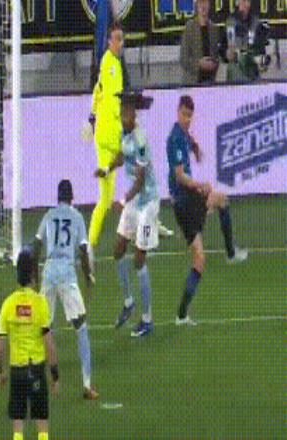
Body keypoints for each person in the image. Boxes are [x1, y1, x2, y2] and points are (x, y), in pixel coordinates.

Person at [166, 96, 248, 326]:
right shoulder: (173, 139)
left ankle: (181, 315)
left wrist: (196, 148)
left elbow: (189, 139)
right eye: (184, 114)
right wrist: (200, 185)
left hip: (185, 201)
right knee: (219, 200)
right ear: (178, 112)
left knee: (200, 259)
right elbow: (180, 177)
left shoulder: (182, 133)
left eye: (189, 115)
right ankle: (230, 253)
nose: (187, 119)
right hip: (184, 201)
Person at [95, 92, 158, 337]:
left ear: (133, 114)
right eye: (121, 112)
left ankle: (147, 319)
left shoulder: (140, 139)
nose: (122, 116)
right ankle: (129, 302)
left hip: (147, 203)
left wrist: (123, 200)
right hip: (133, 201)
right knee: (118, 249)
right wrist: (107, 168)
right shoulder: (125, 132)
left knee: (139, 259)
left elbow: (141, 180)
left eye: (126, 112)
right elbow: (122, 155)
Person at [33, 180, 99, 400]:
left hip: (49, 273)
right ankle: (87, 385)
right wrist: (88, 276)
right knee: (81, 327)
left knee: (43, 328)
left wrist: (35, 279)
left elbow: (36, 247)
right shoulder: (77, 217)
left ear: (57, 197)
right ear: (72, 197)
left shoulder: (49, 215)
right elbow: (83, 250)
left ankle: (37, 378)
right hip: (67, 275)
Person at [0, 249, 59, 440]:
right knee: (41, 422)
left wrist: (0, 372)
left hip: (17, 371)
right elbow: (49, 343)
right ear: (32, 273)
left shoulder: (8, 304)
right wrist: (54, 375)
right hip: (36, 369)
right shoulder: (40, 303)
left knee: (18, 423)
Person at [88, 21, 124, 255]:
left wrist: (91, 114)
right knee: (105, 198)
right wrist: (123, 121)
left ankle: (90, 244)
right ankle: (89, 245)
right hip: (107, 138)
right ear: (109, 41)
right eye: (117, 39)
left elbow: (98, 90)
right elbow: (110, 99)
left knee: (108, 198)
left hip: (111, 136)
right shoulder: (109, 63)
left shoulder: (113, 64)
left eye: (122, 39)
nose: (120, 43)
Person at [219, 0, 270, 82]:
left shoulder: (256, 24)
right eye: (243, 1)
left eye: (248, 1)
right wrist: (226, 54)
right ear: (237, 2)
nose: (245, 4)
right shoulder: (229, 22)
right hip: (234, 78)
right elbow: (222, 48)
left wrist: (261, 62)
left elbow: (261, 51)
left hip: (253, 77)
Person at [180, 0, 220, 85]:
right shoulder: (189, 28)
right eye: (200, 3)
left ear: (209, 5)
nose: (203, 6)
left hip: (211, 82)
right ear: (196, 5)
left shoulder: (214, 29)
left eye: (205, 2)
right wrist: (199, 64)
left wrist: (214, 64)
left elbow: (217, 55)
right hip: (193, 82)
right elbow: (183, 59)